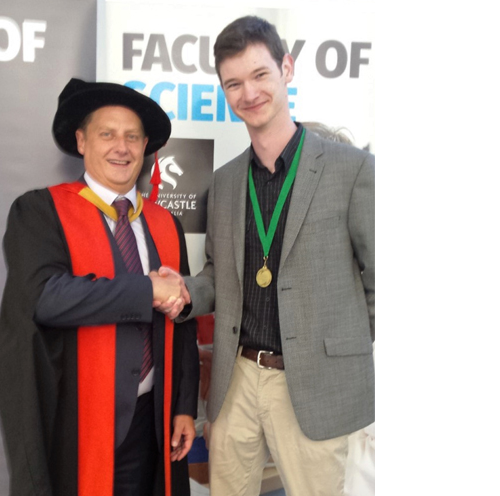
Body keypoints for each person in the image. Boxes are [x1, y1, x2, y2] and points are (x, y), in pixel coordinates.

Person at [155, 16, 375, 496]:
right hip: (237, 378)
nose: (248, 93)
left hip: (316, 382)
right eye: (234, 83)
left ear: (286, 69)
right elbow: (219, 276)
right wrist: (185, 291)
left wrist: (344, 348)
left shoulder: (352, 169)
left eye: (259, 75)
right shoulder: (226, 181)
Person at [0, 78, 199, 496]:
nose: (121, 148)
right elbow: (45, 298)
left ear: (145, 146)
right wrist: (147, 291)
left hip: (153, 421)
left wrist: (183, 406)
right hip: (80, 422)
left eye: (132, 137)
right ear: (81, 141)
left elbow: (182, 322)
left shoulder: (165, 224)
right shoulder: (42, 211)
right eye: (107, 134)